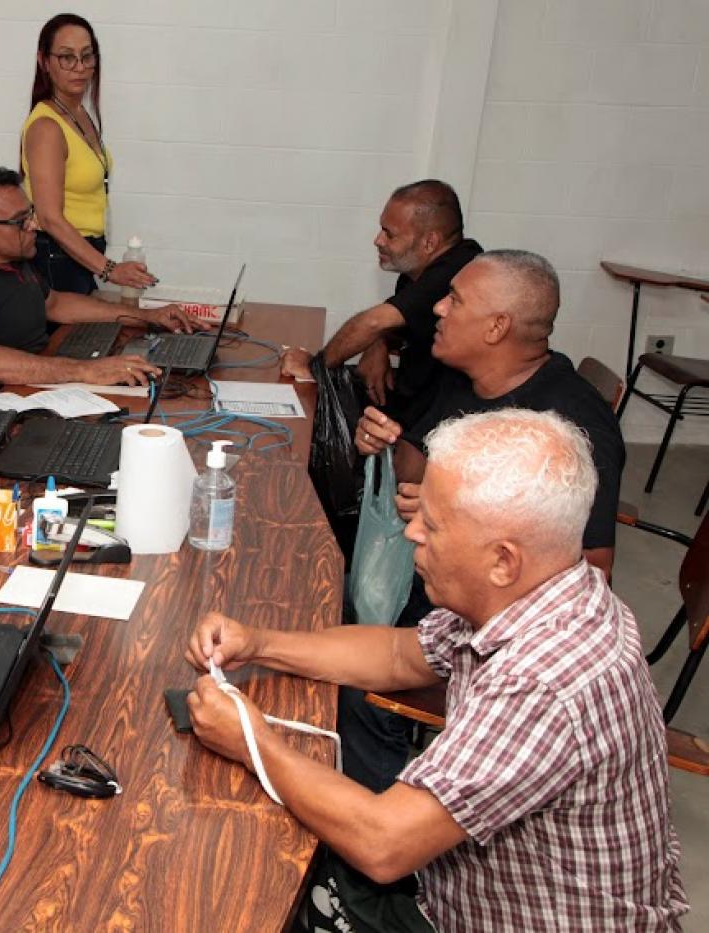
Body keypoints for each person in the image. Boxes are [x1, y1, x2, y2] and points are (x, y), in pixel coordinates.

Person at [185, 409, 686, 932]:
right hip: (456, 893)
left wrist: (249, 738)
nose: (411, 532)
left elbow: (383, 842)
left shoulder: (543, 681)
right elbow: (399, 656)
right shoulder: (548, 592)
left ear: (502, 561)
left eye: (433, 524)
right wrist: (258, 643)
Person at [344, 249, 626, 794]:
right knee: (323, 606)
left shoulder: (568, 427)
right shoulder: (465, 380)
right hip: (437, 586)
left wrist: (453, 524)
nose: (440, 309)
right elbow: (417, 468)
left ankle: (378, 865)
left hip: (485, 626)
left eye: (456, 300)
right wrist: (383, 442)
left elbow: (592, 571)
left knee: (355, 688)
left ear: (497, 326)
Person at [0, 166, 199, 400]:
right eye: (21, 221)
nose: (34, 225)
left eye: (30, 214)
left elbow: (56, 304)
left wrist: (147, 317)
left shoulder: (13, 261)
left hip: (20, 387)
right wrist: (83, 371)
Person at [281, 180, 482, 427]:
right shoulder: (417, 272)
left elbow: (375, 322)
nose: (378, 240)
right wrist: (380, 344)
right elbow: (397, 325)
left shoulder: (457, 271)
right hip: (411, 398)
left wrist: (315, 368)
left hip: (437, 419)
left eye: (389, 233)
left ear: (430, 242)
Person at [21, 14, 155, 295]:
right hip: (57, 257)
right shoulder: (47, 126)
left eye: (87, 56)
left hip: (78, 255)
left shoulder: (78, 113)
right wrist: (109, 269)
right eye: (67, 58)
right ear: (44, 62)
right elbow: (49, 218)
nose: (80, 68)